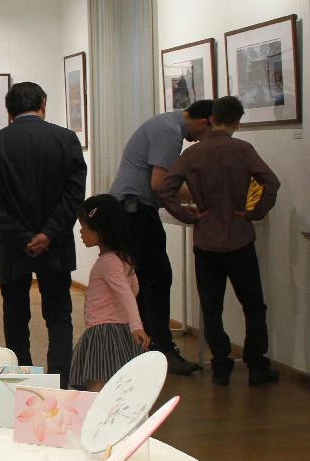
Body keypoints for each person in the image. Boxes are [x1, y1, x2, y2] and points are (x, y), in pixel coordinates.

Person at [158, 96, 280, 386]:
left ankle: (221, 364)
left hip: (206, 238)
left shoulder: (193, 154)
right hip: (239, 236)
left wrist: (190, 216)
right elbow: (271, 182)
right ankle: (256, 364)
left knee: (211, 307)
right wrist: (254, 211)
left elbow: (166, 189)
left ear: (211, 118)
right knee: (253, 304)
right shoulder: (243, 149)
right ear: (237, 122)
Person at [0, 82, 86, 388]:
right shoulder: (66, 139)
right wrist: (49, 233)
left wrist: (22, 236)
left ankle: (20, 381)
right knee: (59, 315)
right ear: (43, 104)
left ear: (9, 111)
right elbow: (75, 193)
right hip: (57, 243)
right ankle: (60, 382)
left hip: (13, 247)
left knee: (15, 315)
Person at [109, 99, 213, 375]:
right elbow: (160, 185)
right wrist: (202, 195)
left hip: (129, 209)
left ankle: (142, 346)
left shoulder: (164, 123)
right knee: (157, 278)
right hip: (135, 210)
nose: (202, 141)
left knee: (143, 279)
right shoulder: (170, 131)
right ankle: (162, 350)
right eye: (207, 135)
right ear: (205, 122)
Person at [68, 195, 150, 391]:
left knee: (97, 385)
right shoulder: (124, 259)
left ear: (100, 231)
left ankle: (96, 420)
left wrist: (136, 325)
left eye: (84, 226)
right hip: (120, 332)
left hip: (103, 334)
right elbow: (133, 289)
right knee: (119, 385)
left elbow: (125, 293)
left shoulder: (107, 262)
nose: (80, 231)